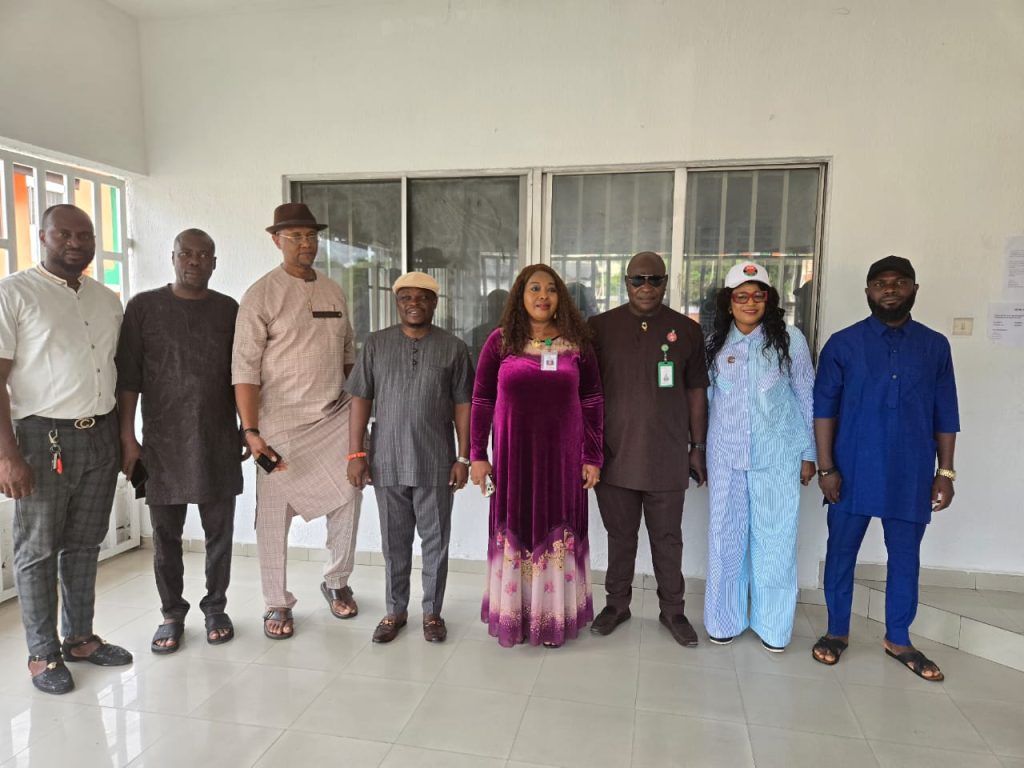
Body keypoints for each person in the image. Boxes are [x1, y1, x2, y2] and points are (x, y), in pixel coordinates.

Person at [0, 204, 132, 694]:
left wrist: (123, 436)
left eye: (86, 235)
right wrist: (7, 455)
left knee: (84, 543)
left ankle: (79, 639)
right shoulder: (14, 293)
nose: (76, 243)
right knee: (37, 549)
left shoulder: (106, 299)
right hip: (40, 437)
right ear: (43, 236)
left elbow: (116, 371)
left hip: (100, 433)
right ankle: (42, 653)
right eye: (65, 234)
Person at [812, 255, 959, 681]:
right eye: (880, 283)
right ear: (868, 292)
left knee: (906, 558)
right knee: (841, 554)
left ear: (914, 289)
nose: (890, 289)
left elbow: (946, 412)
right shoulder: (843, 344)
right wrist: (826, 469)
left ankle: (899, 638)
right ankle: (836, 632)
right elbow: (824, 410)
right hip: (851, 470)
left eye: (899, 282)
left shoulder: (934, 346)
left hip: (911, 472)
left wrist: (945, 473)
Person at [232, 202, 361, 640]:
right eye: (295, 236)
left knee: (348, 497)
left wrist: (361, 416)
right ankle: (276, 600)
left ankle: (337, 580)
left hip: (335, 416)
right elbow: (244, 369)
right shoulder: (261, 294)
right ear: (276, 241)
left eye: (311, 235)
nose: (306, 244)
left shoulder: (333, 290)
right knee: (272, 517)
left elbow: (348, 356)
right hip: (278, 425)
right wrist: (251, 431)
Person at [116, 228, 244, 654]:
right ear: (172, 258)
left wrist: (246, 426)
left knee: (219, 534)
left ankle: (216, 608)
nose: (194, 261)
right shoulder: (143, 307)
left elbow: (242, 374)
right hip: (162, 444)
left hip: (218, 439)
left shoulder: (228, 310)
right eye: (186, 253)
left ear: (214, 263)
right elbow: (128, 379)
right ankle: (172, 613)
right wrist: (128, 438)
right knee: (165, 537)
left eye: (203, 255)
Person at [469, 264, 603, 648]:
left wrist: (592, 456)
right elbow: (482, 400)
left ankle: (553, 619)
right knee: (517, 527)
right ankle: (516, 617)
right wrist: (477, 454)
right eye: (534, 288)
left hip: (564, 461)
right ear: (520, 295)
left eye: (551, 289)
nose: (543, 296)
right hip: (513, 460)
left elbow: (593, 400)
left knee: (557, 529)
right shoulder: (500, 342)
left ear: (561, 298)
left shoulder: (577, 344)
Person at [588, 251, 709, 647]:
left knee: (668, 538)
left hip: (667, 454)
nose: (646, 287)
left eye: (654, 279)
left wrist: (697, 446)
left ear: (665, 282)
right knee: (620, 536)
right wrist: (587, 448)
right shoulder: (599, 328)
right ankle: (616, 605)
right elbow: (585, 392)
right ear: (626, 282)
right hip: (614, 454)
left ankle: (673, 610)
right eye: (637, 279)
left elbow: (696, 392)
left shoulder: (686, 331)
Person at [345, 272, 473, 643]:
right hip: (386, 460)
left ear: (435, 303)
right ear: (396, 302)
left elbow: (463, 405)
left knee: (436, 543)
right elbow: (360, 399)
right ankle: (395, 611)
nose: (414, 304)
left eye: (422, 297)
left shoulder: (453, 348)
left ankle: (432, 613)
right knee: (394, 543)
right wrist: (356, 453)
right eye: (406, 298)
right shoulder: (376, 344)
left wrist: (463, 458)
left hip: (435, 461)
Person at [703, 262, 816, 652]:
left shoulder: (790, 340)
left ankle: (773, 626)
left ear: (768, 299)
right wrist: (698, 452)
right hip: (726, 456)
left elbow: (807, 397)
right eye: (741, 296)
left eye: (758, 295)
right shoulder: (715, 343)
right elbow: (706, 402)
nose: (750, 303)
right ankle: (724, 619)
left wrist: (809, 454)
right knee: (725, 539)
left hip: (778, 457)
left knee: (776, 541)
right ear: (729, 302)